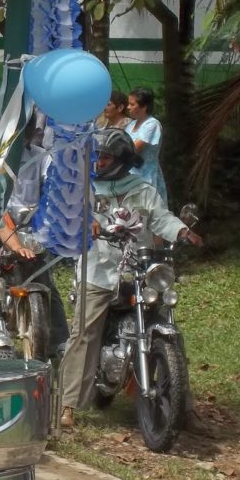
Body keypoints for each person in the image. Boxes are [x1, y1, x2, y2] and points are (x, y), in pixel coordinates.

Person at [59, 128, 202, 429]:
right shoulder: (85, 189)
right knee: (84, 333)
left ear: (121, 160)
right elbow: (71, 217)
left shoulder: (143, 189)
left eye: (105, 157)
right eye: (96, 157)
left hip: (139, 268)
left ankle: (183, 407)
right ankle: (67, 405)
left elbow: (161, 218)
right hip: (97, 270)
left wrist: (181, 231)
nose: (98, 162)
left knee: (169, 328)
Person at [0, 110, 70, 357]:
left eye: (26, 131)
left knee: (45, 279)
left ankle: (59, 341)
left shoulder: (40, 158)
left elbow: (52, 193)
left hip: (31, 226)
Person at [125, 86, 167, 202]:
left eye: (132, 104)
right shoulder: (131, 125)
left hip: (146, 177)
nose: (128, 107)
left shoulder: (152, 124)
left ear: (144, 107)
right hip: (128, 176)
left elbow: (133, 149)